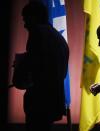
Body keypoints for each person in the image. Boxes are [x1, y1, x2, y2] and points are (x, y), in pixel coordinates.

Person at [21, 1, 69, 131]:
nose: (25, 25)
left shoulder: (38, 32)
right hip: (53, 98)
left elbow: (36, 65)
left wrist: (22, 63)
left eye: (26, 19)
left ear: (34, 17)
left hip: (40, 99)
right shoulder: (57, 36)